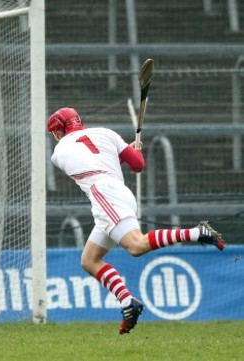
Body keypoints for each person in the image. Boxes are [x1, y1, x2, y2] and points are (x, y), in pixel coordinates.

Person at [47, 107, 225, 335]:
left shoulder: (58, 152)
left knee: (136, 245)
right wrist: (132, 152)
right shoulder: (106, 133)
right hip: (118, 193)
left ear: (60, 131)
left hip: (104, 195)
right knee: (89, 260)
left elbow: (89, 164)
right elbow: (138, 165)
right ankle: (128, 302)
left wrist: (121, 156)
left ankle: (195, 232)